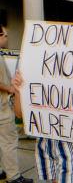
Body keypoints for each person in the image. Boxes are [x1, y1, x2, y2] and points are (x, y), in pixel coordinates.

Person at [11, 71, 73, 183]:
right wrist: (18, 90)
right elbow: (19, 114)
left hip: (71, 149)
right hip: (45, 147)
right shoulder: (36, 69)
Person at [0, 25, 33, 183]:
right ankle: (13, 177)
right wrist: (10, 88)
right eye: (5, 36)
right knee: (9, 141)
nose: (7, 39)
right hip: (2, 108)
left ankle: (1, 171)